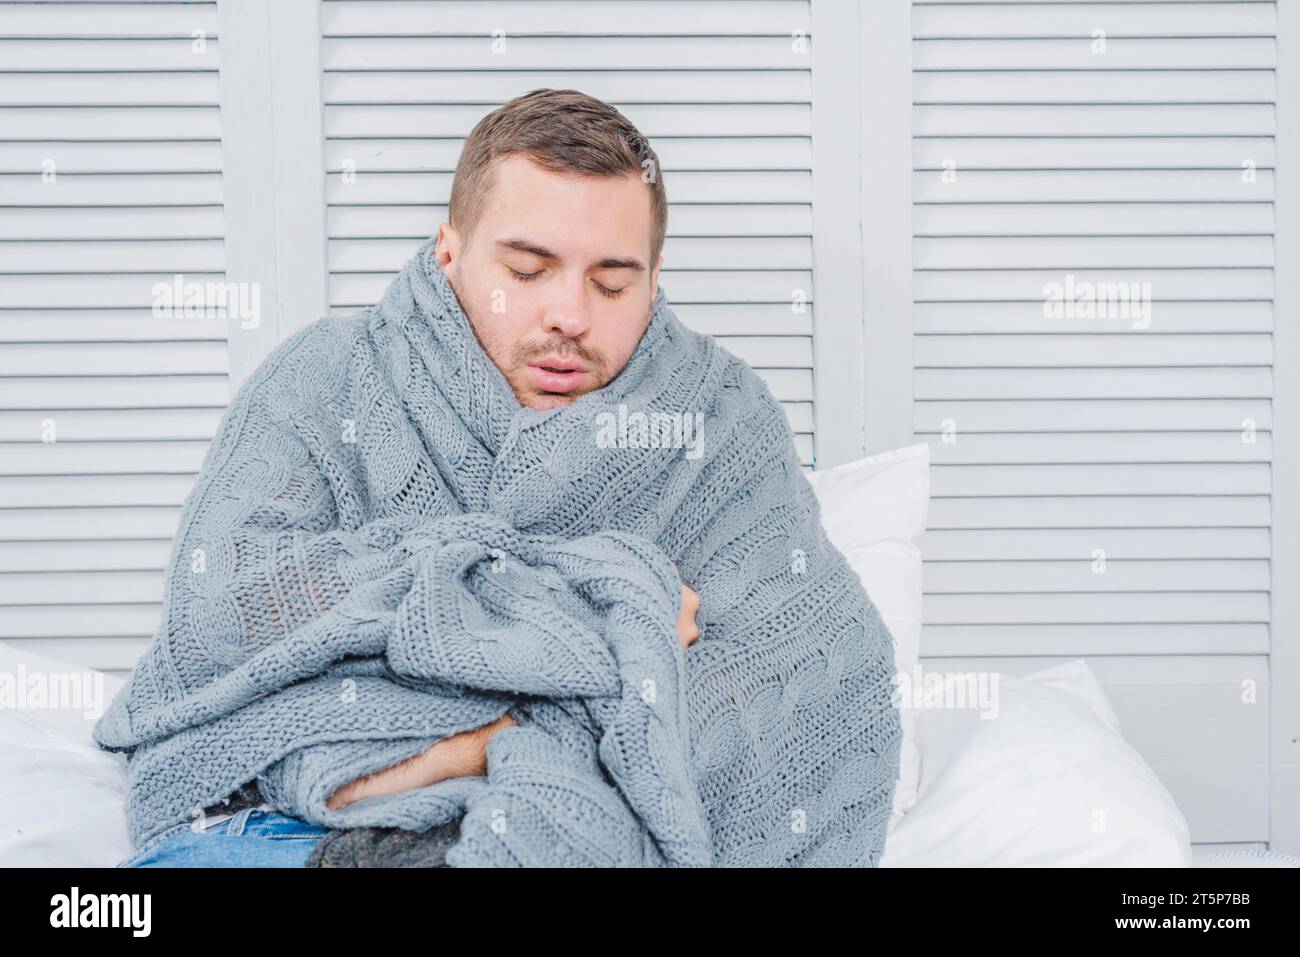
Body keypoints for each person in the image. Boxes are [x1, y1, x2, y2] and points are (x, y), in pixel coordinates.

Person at [120, 88, 705, 867]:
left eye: (610, 284)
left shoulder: (694, 438)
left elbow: (748, 700)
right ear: (449, 251)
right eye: (528, 270)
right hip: (280, 830)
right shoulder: (326, 379)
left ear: (653, 283)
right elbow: (218, 620)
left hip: (556, 827)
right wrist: (573, 628)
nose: (569, 314)